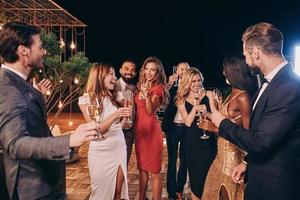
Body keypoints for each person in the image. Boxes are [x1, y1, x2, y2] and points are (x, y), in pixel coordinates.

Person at [0, 21, 99, 200]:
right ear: (24, 50)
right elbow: (15, 144)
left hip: (44, 182)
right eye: (40, 46)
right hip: (32, 188)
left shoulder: (19, 83)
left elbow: (33, 125)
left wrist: (38, 97)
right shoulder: (8, 87)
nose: (44, 51)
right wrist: (69, 140)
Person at [209, 22, 300, 200]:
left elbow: (260, 142)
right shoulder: (271, 83)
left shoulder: (288, 87)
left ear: (256, 52)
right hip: (261, 179)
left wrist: (222, 122)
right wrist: (247, 163)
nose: (244, 57)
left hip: (275, 189)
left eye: (245, 52)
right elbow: (269, 135)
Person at [201, 55, 257, 200]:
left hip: (233, 161)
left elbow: (249, 136)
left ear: (233, 71)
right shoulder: (233, 92)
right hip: (220, 157)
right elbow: (228, 122)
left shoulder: (243, 97)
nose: (223, 72)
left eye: (225, 69)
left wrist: (214, 129)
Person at [78, 63, 132, 200]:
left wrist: (123, 123)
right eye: (111, 74)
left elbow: (119, 124)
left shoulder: (116, 96)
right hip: (100, 151)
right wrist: (116, 115)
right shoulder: (86, 100)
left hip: (119, 147)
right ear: (99, 76)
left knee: (118, 193)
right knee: (101, 194)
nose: (115, 78)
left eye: (114, 74)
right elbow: (97, 129)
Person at [176, 67, 217, 200]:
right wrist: (195, 107)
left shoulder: (209, 94)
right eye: (193, 81)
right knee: (196, 180)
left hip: (209, 141)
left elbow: (215, 116)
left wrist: (207, 112)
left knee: (209, 177)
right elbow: (187, 122)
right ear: (187, 82)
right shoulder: (181, 100)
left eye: (199, 80)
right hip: (192, 143)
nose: (197, 84)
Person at [135, 56, 169, 200]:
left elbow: (150, 110)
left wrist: (147, 96)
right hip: (140, 133)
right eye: (147, 69)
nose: (149, 72)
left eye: (153, 70)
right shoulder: (140, 86)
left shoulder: (158, 88)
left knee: (155, 172)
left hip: (152, 134)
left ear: (158, 73)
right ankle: (141, 197)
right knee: (142, 169)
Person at [161, 61, 190, 199]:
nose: (184, 71)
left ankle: (179, 190)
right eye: (181, 69)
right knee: (172, 161)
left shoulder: (192, 87)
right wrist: (169, 84)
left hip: (187, 129)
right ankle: (171, 193)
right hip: (172, 128)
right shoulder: (171, 87)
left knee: (184, 160)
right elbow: (162, 99)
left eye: (186, 69)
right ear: (177, 71)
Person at [115, 59, 137, 164]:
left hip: (129, 132)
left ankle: (122, 180)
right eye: (126, 69)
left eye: (132, 70)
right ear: (120, 70)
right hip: (114, 130)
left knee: (124, 162)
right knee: (113, 162)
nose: (129, 72)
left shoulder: (134, 88)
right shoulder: (112, 86)